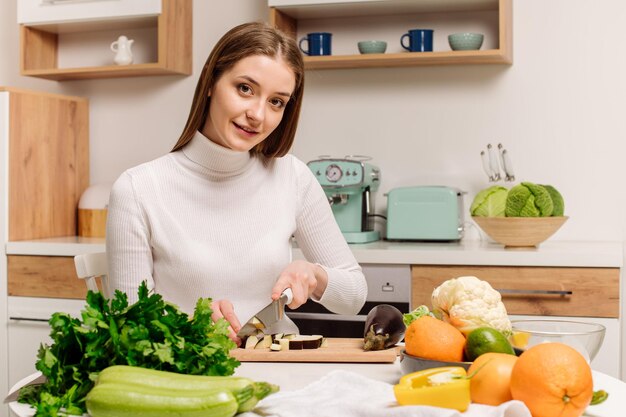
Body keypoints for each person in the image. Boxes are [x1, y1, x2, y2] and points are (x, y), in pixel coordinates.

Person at [106, 22, 367, 345]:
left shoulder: (292, 176)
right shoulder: (138, 188)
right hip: (192, 376)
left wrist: (315, 276)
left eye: (276, 102)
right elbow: (128, 325)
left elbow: (354, 295)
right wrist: (190, 326)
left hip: (280, 366)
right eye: (245, 88)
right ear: (211, 82)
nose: (257, 114)